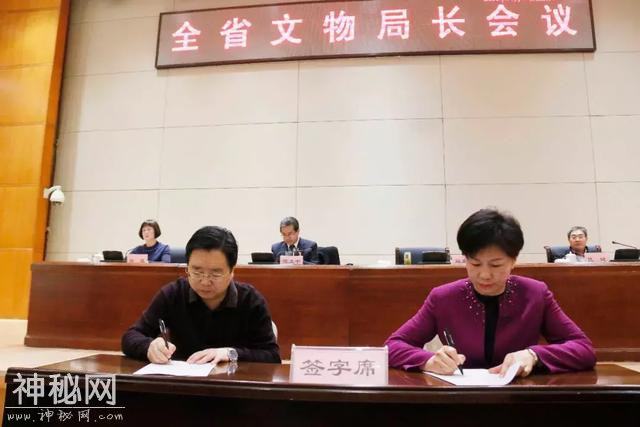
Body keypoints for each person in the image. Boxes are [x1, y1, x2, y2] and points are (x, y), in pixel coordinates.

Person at [385, 208, 596, 377]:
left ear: (513, 260)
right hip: (461, 399)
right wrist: (428, 360)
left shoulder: (535, 294)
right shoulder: (443, 298)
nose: (484, 275)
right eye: (475, 264)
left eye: (496, 265)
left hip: (519, 398)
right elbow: (392, 346)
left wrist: (533, 355)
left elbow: (583, 348)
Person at [122, 226, 281, 365]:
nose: (205, 282)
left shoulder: (251, 300)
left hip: (232, 386)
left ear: (232, 271)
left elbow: (272, 356)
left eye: (215, 273)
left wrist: (230, 353)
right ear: (187, 267)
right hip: (183, 384)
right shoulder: (173, 294)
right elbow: (131, 336)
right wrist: (149, 347)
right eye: (197, 271)